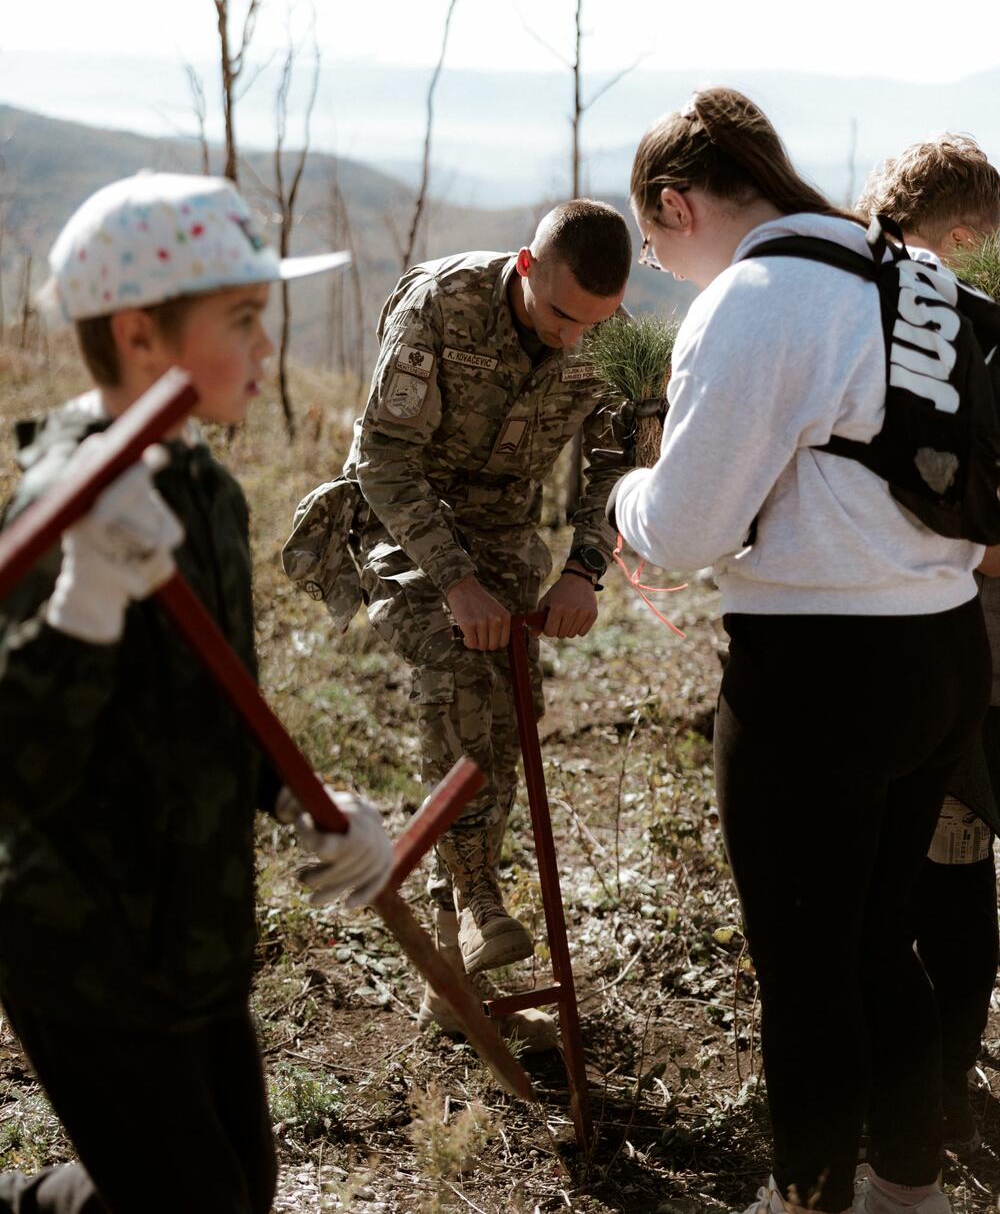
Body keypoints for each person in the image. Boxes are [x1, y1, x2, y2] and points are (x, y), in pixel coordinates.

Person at [610, 91, 989, 1214]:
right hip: (944, 654)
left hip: (817, 681)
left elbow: (682, 531)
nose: (666, 270)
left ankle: (808, 1198)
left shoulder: (755, 300)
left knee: (806, 968)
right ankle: (904, 1191)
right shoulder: (915, 280)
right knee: (882, 939)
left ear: (676, 205)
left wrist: (624, 498)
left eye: (654, 244)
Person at [0, 172, 394, 1214]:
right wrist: (83, 601)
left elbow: (216, 704)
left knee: (230, 1189)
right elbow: (20, 766)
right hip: (83, 944)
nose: (269, 345)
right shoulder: (67, 502)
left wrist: (304, 800)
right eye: (244, 319)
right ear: (139, 338)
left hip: (195, 929)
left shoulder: (205, 490)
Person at [310, 199, 631, 1043]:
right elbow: (383, 456)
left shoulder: (606, 335)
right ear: (527, 268)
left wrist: (582, 570)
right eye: (560, 314)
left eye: (592, 322)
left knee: (508, 713)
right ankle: (482, 900)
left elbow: (616, 468)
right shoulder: (440, 303)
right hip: (397, 519)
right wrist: (454, 584)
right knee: (457, 672)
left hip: (505, 536)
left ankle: (451, 966)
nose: (572, 337)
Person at [856, 133, 1000, 1151]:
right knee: (934, 875)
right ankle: (927, 1092)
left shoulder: (842, 301)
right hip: (936, 654)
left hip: (911, 655)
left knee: (930, 870)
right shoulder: (932, 320)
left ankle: (932, 1086)